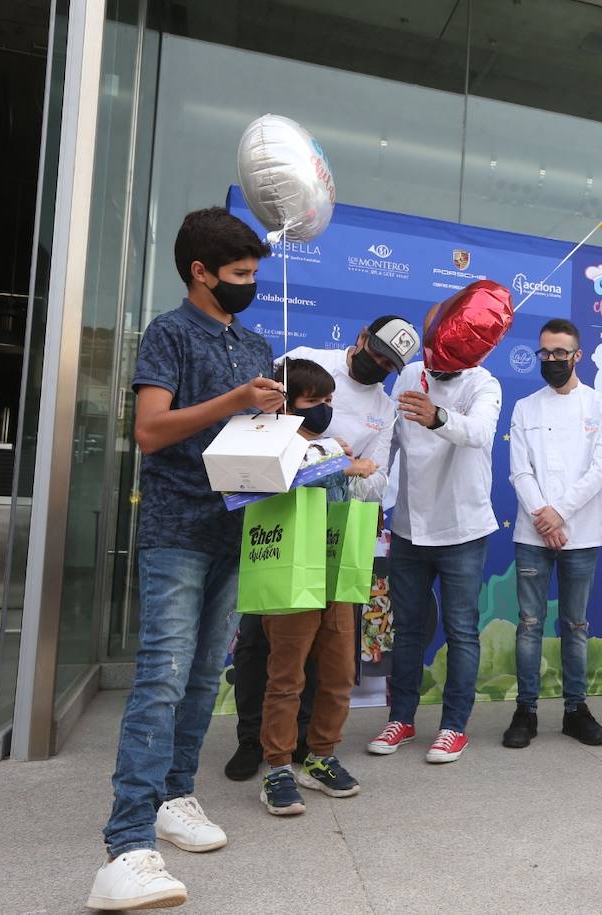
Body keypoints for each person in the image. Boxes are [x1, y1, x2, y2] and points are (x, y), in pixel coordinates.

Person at [88, 207, 282, 911]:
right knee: (162, 679)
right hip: (176, 529)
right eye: (237, 275)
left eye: (254, 274)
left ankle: (176, 795)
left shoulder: (258, 345)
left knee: (204, 678)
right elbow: (149, 429)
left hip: (236, 532)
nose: (247, 284)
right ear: (199, 272)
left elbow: (258, 440)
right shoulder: (168, 335)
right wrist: (232, 401)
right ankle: (126, 842)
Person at [223, 316, 421, 781]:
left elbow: (377, 481)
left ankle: (308, 743)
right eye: (375, 352)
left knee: (330, 653)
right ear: (360, 339)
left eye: (388, 364)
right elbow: (257, 435)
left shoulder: (385, 407)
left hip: (335, 535)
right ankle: (253, 740)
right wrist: (336, 460)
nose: (377, 365)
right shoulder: (302, 363)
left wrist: (347, 470)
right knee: (258, 643)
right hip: (278, 526)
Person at [253, 358, 390, 815]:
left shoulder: (333, 446)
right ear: (287, 403)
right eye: (315, 402)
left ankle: (321, 757)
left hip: (335, 572)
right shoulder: (270, 443)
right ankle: (276, 767)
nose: (325, 409)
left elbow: (362, 483)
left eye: (330, 401)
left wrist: (347, 461)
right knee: (286, 677)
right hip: (291, 576)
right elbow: (275, 481)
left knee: (339, 675)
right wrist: (340, 463)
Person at [366, 352, 503, 763]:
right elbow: (388, 439)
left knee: (461, 629)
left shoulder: (484, 383)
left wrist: (437, 416)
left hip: (463, 528)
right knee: (406, 629)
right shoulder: (409, 373)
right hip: (410, 526)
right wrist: (373, 488)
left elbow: (479, 432)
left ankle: (453, 726)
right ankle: (401, 719)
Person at [502, 319, 602, 749]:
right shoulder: (525, 407)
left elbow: (601, 470)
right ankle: (526, 710)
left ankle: (575, 709)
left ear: (577, 356)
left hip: (581, 533)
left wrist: (560, 514)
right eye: (545, 353)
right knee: (529, 624)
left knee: (576, 624)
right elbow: (519, 470)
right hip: (533, 532)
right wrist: (542, 516)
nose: (551, 360)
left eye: (559, 353)